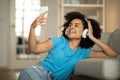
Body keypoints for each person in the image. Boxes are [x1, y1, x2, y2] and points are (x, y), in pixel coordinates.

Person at [18, 11, 117, 80]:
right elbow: (33, 49)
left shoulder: (83, 52)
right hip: (36, 73)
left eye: (76, 25)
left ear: (84, 32)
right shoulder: (58, 41)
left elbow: (112, 54)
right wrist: (32, 27)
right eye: (70, 25)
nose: (71, 27)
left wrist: (91, 37)